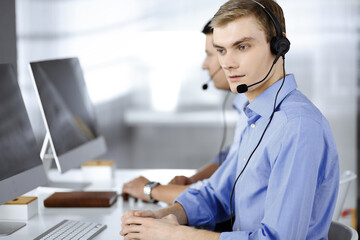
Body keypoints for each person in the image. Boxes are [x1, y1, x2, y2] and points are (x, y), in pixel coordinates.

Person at [120, 0, 339, 239]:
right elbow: (216, 195)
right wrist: (166, 216)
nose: (227, 63)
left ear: (279, 45)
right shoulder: (253, 115)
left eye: (242, 47)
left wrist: (175, 235)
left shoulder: (296, 127)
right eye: (221, 50)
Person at [121, 21, 231, 205]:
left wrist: (153, 190)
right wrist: (193, 181)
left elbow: (223, 194)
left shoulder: (283, 122)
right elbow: (229, 159)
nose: (205, 65)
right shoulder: (246, 107)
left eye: (211, 54)